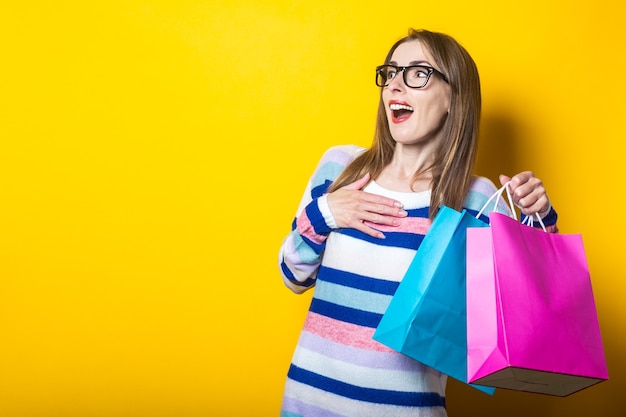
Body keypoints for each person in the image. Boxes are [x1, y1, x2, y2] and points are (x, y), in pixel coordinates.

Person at [278, 28, 558, 417]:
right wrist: (325, 214)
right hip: (308, 404)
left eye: (418, 73)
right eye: (391, 72)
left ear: (453, 98)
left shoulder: (476, 199)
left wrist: (538, 218)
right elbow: (293, 277)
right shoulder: (340, 166)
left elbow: (528, 312)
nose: (395, 85)